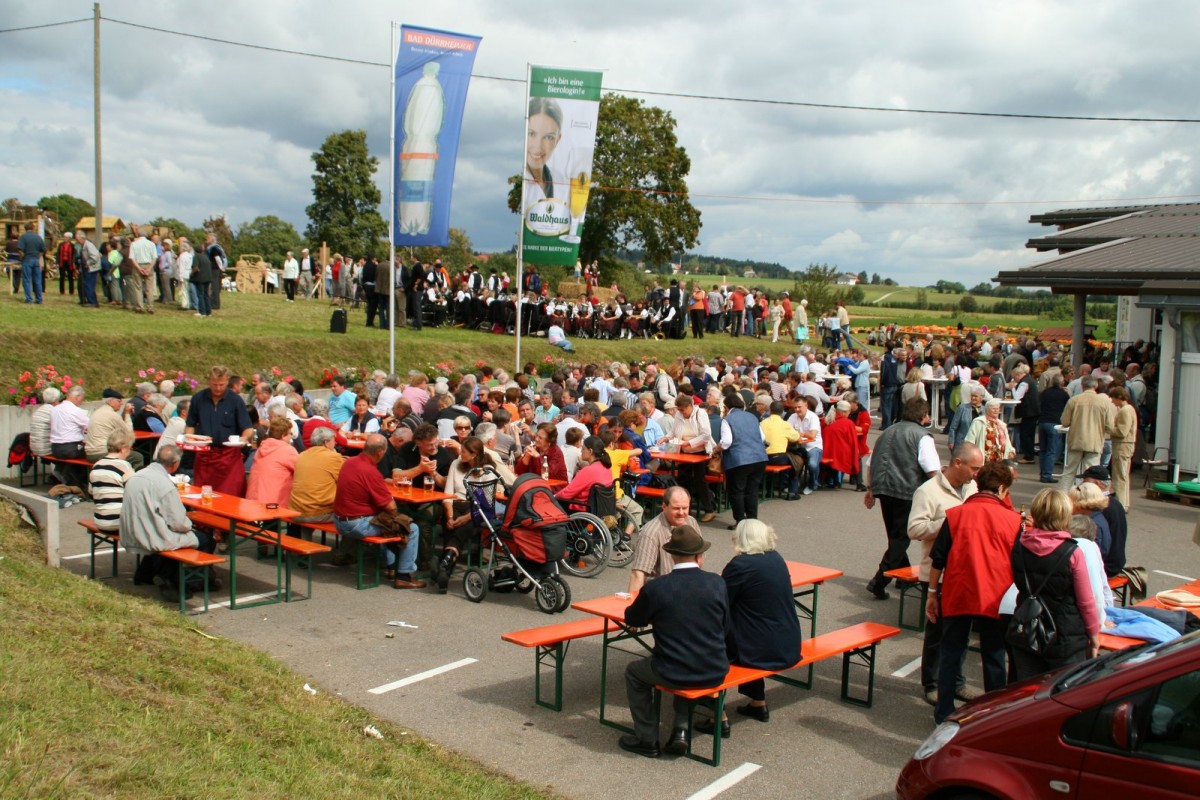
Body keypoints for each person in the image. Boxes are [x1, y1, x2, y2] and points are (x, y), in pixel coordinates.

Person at [619, 526, 730, 759]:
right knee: (687, 655)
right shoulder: (717, 584)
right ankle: (680, 728)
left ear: (671, 555)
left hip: (673, 668)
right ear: (699, 556)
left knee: (634, 673)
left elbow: (633, 618)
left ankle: (647, 738)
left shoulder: (657, 588)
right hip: (715, 668)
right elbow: (726, 626)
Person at [925, 460, 1023, 724]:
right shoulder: (1014, 520)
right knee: (994, 657)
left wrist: (932, 593)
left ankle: (944, 710)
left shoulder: (956, 514)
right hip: (997, 597)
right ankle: (992, 714)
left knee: (951, 653)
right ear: (1002, 488)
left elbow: (938, 559)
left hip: (959, 591)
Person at [694, 519, 801, 738]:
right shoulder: (776, 558)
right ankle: (757, 702)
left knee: (706, 644)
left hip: (761, 649)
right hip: (788, 642)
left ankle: (718, 717)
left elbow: (720, 601)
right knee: (749, 628)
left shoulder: (740, 565)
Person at [907, 442, 983, 707]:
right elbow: (915, 529)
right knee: (937, 632)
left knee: (960, 632)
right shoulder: (927, 491)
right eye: (974, 468)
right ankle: (932, 684)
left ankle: (957, 681)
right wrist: (953, 520)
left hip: (966, 571)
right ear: (958, 463)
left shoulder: (972, 488)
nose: (977, 474)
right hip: (937, 572)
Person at [1008, 488, 1100, 680]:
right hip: (1065, 634)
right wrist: (1093, 633)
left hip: (1027, 627)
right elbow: (1086, 601)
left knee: (1027, 692)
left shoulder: (1019, 546)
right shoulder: (1072, 552)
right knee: (1062, 693)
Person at [864, 398, 939, 599]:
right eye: (927, 414)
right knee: (900, 539)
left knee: (895, 536)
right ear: (922, 416)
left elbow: (871, 463)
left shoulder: (886, 432)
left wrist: (870, 489)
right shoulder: (922, 436)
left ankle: (902, 577)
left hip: (883, 488)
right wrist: (945, 490)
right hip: (906, 491)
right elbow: (932, 470)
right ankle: (879, 581)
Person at [121, 444, 217, 595]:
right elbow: (179, 523)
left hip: (132, 532)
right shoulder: (164, 485)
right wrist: (190, 525)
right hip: (152, 537)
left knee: (158, 531)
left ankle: (145, 574)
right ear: (175, 464)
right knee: (206, 539)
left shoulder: (137, 476)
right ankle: (186, 581)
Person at [333, 433, 425, 589]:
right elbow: (391, 507)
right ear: (381, 452)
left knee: (386, 522)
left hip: (339, 520)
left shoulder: (350, 462)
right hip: (356, 524)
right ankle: (404, 575)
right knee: (410, 528)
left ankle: (391, 566)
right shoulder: (371, 472)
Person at [436, 436, 505, 593]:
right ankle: (446, 563)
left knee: (467, 523)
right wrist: (450, 516)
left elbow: (485, 504)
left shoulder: (487, 470)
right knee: (450, 523)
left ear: (474, 454)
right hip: (455, 503)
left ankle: (445, 565)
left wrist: (465, 517)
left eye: (464, 451)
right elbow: (448, 493)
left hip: (477, 507)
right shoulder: (456, 464)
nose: (460, 453)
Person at [185, 366, 253, 496]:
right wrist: (190, 438)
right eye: (214, 384)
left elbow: (247, 428)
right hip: (205, 455)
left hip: (229, 457)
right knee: (203, 495)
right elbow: (190, 425)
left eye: (221, 385)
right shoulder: (198, 399)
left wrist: (244, 439)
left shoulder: (235, 400)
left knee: (231, 496)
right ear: (208, 381)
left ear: (227, 381)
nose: (218, 388)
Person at [626, 485, 698, 594]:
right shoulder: (651, 533)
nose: (681, 513)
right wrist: (631, 606)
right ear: (664, 506)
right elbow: (638, 574)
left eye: (685, 508)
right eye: (676, 508)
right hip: (662, 594)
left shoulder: (691, 522)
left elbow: (699, 558)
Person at [287, 427, 345, 542]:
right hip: (318, 512)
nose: (336, 443)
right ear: (326, 442)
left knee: (312, 501)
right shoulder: (333, 457)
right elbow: (347, 481)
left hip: (296, 508)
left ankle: (298, 548)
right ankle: (345, 553)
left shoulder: (302, 455)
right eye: (334, 440)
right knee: (353, 516)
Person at [720, 394, 768, 528]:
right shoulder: (752, 417)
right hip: (759, 457)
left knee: (736, 491)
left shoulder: (727, 419)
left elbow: (727, 442)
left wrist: (717, 447)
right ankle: (752, 519)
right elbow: (762, 437)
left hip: (739, 459)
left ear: (727, 407)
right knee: (752, 490)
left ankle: (740, 521)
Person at [1057, 375, 1111, 489]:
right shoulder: (1104, 402)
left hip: (1076, 440)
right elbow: (1110, 425)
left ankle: (1062, 500)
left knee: (1069, 472)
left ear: (1082, 386)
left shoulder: (1074, 400)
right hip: (1094, 442)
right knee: (1091, 473)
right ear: (1095, 386)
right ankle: (1088, 498)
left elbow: (1065, 421)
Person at [1081, 466, 1127, 577]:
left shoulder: (1100, 507)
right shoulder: (1115, 503)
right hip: (1115, 562)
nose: (1081, 486)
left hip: (1105, 566)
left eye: (1084, 483)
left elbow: (1099, 546)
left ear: (1096, 484)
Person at [88, 429, 136, 535]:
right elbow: (135, 492)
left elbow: (92, 494)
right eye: (130, 448)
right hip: (119, 521)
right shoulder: (124, 466)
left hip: (100, 520)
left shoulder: (96, 466)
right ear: (123, 449)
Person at [246, 417, 299, 507]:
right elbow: (303, 470)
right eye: (290, 434)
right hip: (272, 505)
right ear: (283, 435)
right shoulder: (287, 450)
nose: (291, 437)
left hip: (251, 501)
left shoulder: (261, 448)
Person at [555, 435, 613, 512]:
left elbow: (567, 493)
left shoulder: (588, 470)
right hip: (600, 508)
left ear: (590, 451)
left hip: (582, 508)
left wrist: (554, 496)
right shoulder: (607, 468)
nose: (581, 451)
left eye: (583, 448)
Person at [523, 97, 563, 208]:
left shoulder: (563, 183)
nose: (538, 146)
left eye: (548, 137)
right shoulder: (519, 182)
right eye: (531, 134)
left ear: (557, 140)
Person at [1106, 386, 1137, 509]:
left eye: (1113, 399)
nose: (1112, 402)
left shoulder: (1125, 410)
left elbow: (1122, 431)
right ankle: (1124, 503)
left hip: (1122, 445)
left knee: (1119, 476)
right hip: (1126, 445)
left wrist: (1109, 429)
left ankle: (1121, 504)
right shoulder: (1130, 409)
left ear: (1119, 398)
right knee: (1123, 475)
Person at [1037, 371, 1070, 483]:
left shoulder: (1045, 393)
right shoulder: (1064, 395)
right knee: (1051, 451)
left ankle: (1043, 473)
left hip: (1042, 421)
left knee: (1043, 450)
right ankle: (1047, 475)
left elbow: (1039, 404)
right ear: (1062, 382)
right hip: (1055, 423)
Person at [17, 221, 46, 304]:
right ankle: (39, 299)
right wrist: (39, 256)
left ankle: (29, 299)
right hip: (36, 260)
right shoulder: (38, 237)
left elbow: (20, 250)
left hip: (27, 259)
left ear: (25, 228)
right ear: (33, 228)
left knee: (26, 280)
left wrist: (23, 257)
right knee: (37, 280)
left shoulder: (23, 237)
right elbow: (43, 249)